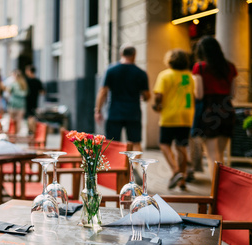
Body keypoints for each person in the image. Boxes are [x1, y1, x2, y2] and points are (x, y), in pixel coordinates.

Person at [192, 36, 237, 177]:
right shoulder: (230, 67)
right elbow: (233, 94)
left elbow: (198, 94)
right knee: (221, 156)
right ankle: (221, 188)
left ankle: (216, 193)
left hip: (208, 110)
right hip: (226, 109)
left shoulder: (199, 67)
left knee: (212, 156)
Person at [94, 45, 150, 152]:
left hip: (114, 112)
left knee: (112, 143)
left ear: (121, 54)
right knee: (135, 142)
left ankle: (114, 166)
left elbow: (103, 92)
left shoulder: (111, 70)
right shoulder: (141, 73)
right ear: (134, 55)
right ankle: (134, 167)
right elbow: (147, 95)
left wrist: (98, 110)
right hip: (133, 113)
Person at [152, 49, 195, 190]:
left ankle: (175, 170)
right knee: (181, 146)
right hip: (187, 115)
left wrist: (156, 105)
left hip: (170, 115)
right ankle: (182, 180)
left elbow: (159, 95)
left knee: (164, 144)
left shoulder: (165, 75)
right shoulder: (190, 76)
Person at [25, 65, 45, 134]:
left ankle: (31, 130)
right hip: (35, 100)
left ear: (29, 71)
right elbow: (42, 92)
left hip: (27, 101)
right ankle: (32, 130)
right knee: (32, 116)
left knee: (29, 116)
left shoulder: (26, 81)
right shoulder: (38, 81)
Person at [7, 69, 28, 134]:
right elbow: (25, 93)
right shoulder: (24, 84)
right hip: (21, 104)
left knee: (13, 120)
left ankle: (13, 133)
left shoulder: (13, 84)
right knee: (19, 121)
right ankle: (17, 134)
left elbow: (9, 92)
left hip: (14, 104)